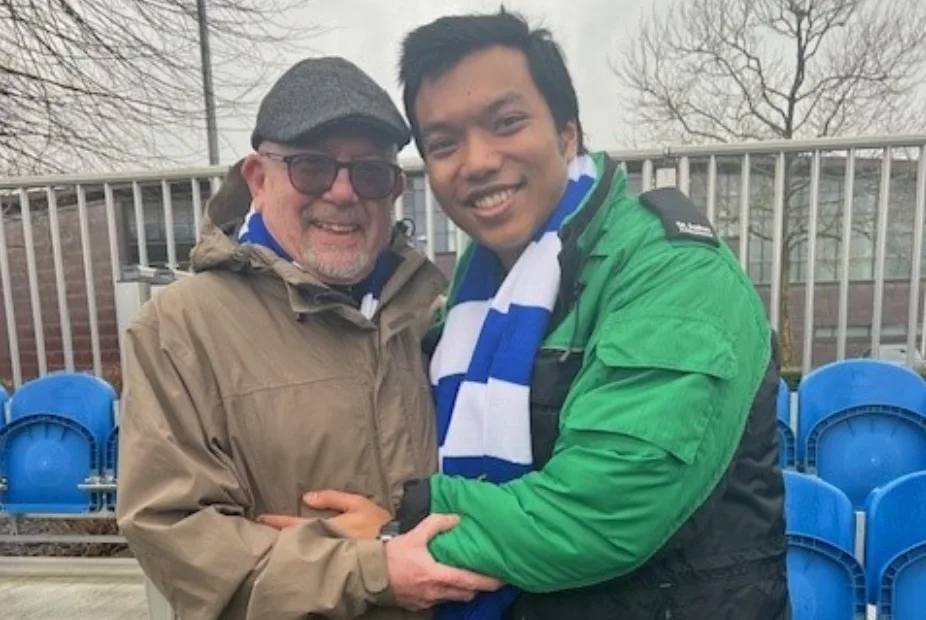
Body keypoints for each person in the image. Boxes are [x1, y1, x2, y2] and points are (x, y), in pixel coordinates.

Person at [271, 10, 790, 620]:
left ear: (567, 134)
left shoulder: (673, 272)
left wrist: (398, 531)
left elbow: (602, 513)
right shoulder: (478, 287)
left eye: (506, 123)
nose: (477, 160)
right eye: (443, 143)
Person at [115, 56, 502, 620]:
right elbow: (178, 538)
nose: (343, 192)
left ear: (394, 189)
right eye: (312, 167)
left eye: (369, 172)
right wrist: (373, 570)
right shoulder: (179, 329)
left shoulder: (434, 316)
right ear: (257, 178)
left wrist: (394, 537)